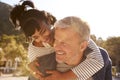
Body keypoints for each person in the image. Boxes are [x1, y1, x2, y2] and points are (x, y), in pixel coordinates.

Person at [10, 1, 104, 80]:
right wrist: (33, 69)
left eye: (43, 31)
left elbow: (98, 60)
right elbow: (37, 73)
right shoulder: (35, 49)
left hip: (88, 72)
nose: (43, 39)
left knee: (103, 53)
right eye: (35, 37)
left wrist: (64, 77)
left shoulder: (66, 29)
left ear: (49, 21)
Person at [42, 16, 112, 80]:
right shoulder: (45, 66)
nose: (56, 46)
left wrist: (64, 77)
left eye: (64, 43)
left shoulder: (101, 57)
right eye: (56, 40)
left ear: (82, 46)